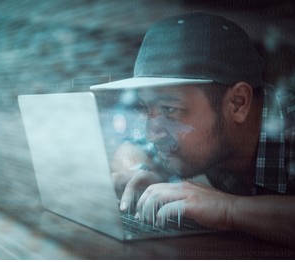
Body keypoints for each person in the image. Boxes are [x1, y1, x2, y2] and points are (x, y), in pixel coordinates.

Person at [90, 12, 295, 249]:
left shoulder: (287, 126)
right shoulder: (192, 132)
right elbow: (131, 148)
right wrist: (145, 173)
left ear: (238, 103)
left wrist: (228, 209)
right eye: (148, 108)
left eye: (169, 109)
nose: (151, 133)